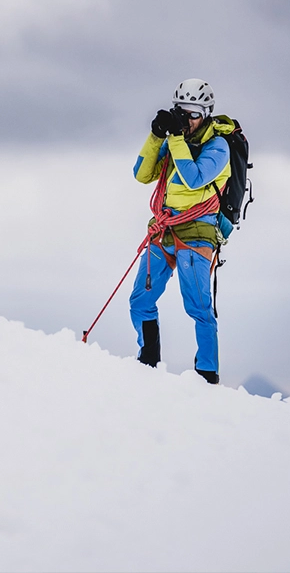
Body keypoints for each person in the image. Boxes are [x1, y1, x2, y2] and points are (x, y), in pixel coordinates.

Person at [129, 78, 234, 384]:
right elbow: (141, 174)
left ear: (206, 113)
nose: (186, 119)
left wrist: (174, 138)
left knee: (198, 307)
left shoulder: (219, 147)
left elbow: (193, 178)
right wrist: (155, 136)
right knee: (140, 300)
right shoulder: (174, 140)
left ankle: (207, 373)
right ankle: (147, 362)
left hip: (198, 234)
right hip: (164, 229)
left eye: (193, 113)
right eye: (181, 112)